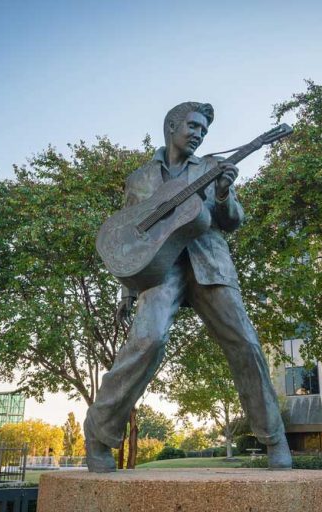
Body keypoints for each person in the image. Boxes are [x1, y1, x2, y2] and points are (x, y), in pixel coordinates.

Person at [84, 101, 291, 472]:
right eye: (193, 126)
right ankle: (98, 435)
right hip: (161, 271)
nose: (199, 134)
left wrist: (225, 194)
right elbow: (131, 238)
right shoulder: (140, 179)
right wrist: (127, 290)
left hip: (209, 264)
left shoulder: (211, 167)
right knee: (147, 341)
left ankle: (274, 438)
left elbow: (232, 221)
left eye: (204, 131)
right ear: (172, 125)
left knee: (244, 342)